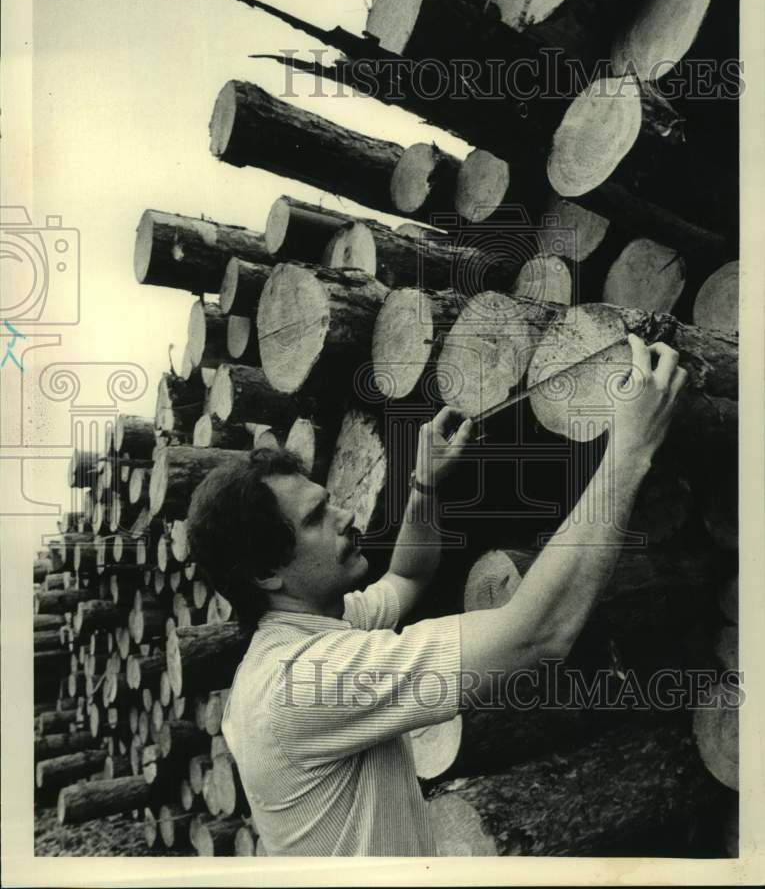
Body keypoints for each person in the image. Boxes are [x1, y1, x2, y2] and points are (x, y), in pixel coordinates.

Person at [186, 334, 687, 856]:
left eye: (328, 503)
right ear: (267, 573)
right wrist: (630, 450)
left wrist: (424, 486)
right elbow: (535, 635)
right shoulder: (304, 682)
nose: (347, 516)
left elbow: (406, 578)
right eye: (317, 519)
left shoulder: (308, 631)